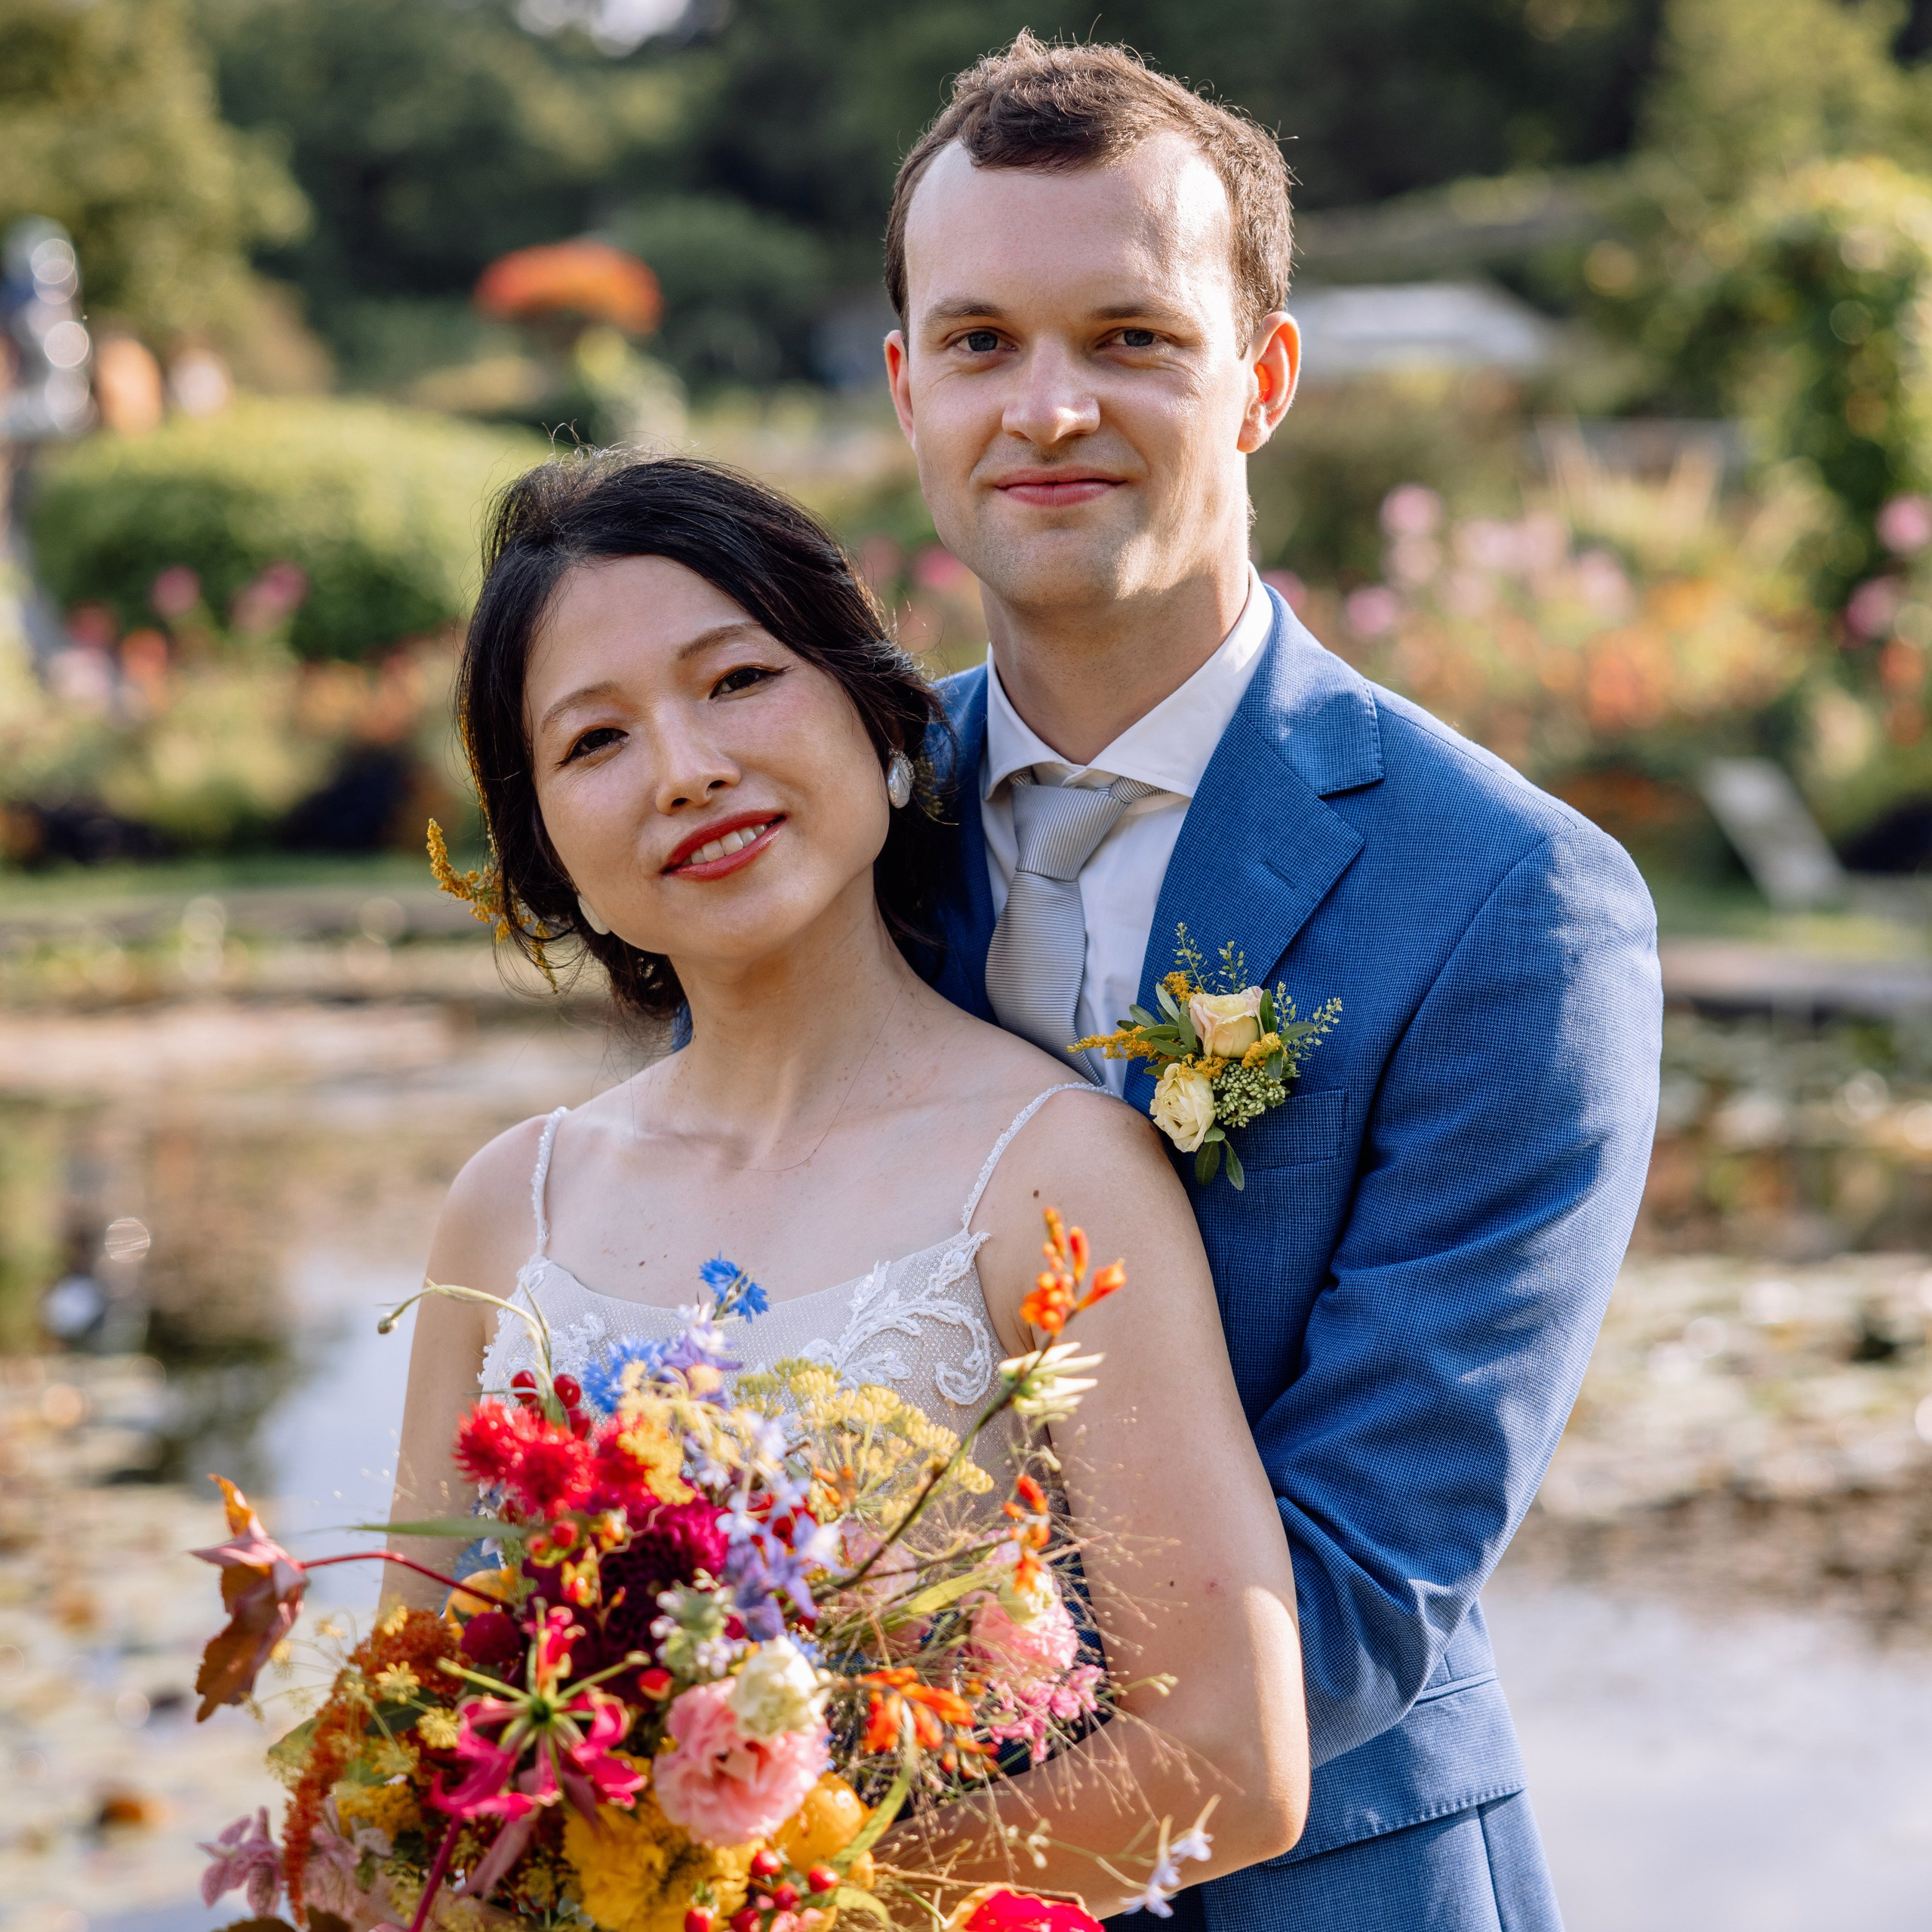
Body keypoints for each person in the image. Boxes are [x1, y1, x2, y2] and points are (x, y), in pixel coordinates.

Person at [880, 35, 1663, 1932]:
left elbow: (1365, 1571)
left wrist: (843, 1852)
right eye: (978, 341)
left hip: (1316, 1885)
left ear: (1262, 377)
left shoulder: (1509, 902)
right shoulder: (840, 838)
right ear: (906, 389)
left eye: (1130, 336)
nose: (1044, 406)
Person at [383, 453, 1310, 1910]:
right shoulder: (508, 1207)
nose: (687, 766)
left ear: (878, 711)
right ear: (547, 847)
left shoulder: (1055, 1178)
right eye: (595, 741)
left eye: (739, 680)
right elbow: (414, 1748)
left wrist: (763, 1899)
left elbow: (1232, 1759)